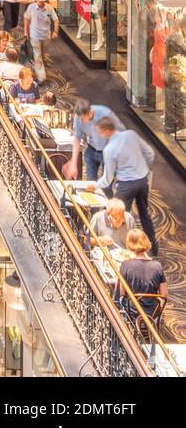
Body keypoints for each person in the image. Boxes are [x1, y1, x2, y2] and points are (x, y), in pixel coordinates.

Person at [92, 118, 158, 254]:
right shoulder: (131, 134)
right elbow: (150, 154)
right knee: (144, 215)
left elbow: (107, 179)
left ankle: (116, 250)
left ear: (106, 132)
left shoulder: (109, 149)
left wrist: (94, 185)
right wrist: (143, 169)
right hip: (142, 181)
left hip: (126, 186)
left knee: (117, 216)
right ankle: (153, 248)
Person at [65, 100, 124, 181]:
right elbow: (77, 139)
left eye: (83, 118)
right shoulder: (78, 117)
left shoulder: (105, 113)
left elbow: (121, 133)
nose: (81, 121)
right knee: (90, 182)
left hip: (108, 150)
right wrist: (73, 163)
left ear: (89, 112)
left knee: (106, 185)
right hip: (91, 149)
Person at [117, 230, 167, 319]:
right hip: (152, 312)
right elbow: (164, 295)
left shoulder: (125, 265)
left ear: (129, 244)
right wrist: (158, 311)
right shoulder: (157, 266)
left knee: (116, 299)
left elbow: (121, 293)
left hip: (132, 311)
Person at [23, 0, 58, 82]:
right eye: (39, 1)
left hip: (46, 36)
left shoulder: (49, 8)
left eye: (42, 1)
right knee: (37, 56)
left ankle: (43, 60)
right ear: (36, 0)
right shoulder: (31, 7)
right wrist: (26, 32)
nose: (41, 3)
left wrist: (55, 31)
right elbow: (26, 18)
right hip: (34, 36)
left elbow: (56, 19)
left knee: (42, 52)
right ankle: (41, 77)